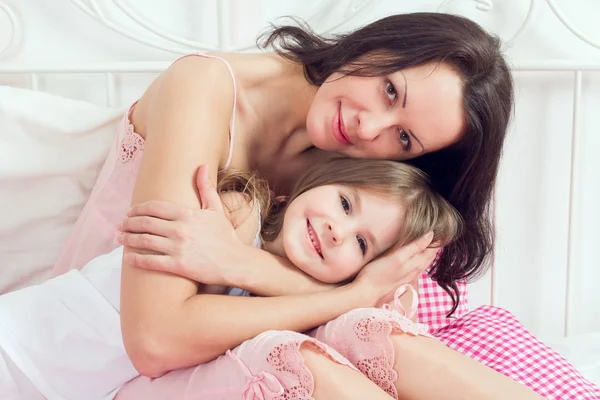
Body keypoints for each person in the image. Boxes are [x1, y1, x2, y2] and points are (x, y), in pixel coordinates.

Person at [0, 158, 494, 399]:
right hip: (17, 347)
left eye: (362, 244)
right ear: (320, 179)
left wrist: (365, 296)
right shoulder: (237, 214)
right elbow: (196, 323)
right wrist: (354, 292)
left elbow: (384, 314)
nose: (334, 230)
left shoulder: (305, 318)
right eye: (344, 203)